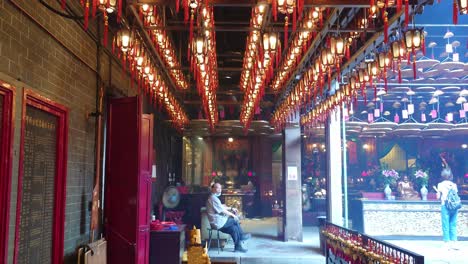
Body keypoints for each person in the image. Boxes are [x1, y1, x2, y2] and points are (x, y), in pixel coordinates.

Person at [206, 183, 251, 253]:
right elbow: (222, 211)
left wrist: (231, 208)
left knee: (234, 229)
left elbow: (222, 207)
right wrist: (233, 215)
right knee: (234, 220)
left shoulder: (214, 198)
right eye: (217, 188)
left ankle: (237, 247)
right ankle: (241, 235)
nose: (219, 190)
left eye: (220, 188)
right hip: (217, 223)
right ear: (212, 188)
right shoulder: (212, 198)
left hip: (219, 223)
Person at [434, 168, 459, 250]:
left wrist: (438, 193)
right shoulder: (454, 185)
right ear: (450, 176)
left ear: (442, 175)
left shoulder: (440, 185)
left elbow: (438, 197)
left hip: (445, 206)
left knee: (445, 224)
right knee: (453, 224)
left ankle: (446, 243)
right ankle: (454, 243)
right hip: (454, 207)